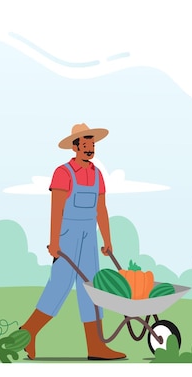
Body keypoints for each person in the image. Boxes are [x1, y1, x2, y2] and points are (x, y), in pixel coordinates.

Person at [20, 123, 126, 360]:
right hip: (67, 237)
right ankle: (28, 332)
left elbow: (101, 209)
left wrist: (107, 240)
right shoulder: (63, 173)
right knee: (59, 286)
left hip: (89, 237)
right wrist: (53, 241)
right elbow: (56, 209)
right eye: (86, 145)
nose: (90, 149)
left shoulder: (98, 174)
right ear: (75, 147)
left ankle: (96, 346)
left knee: (92, 289)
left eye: (93, 145)